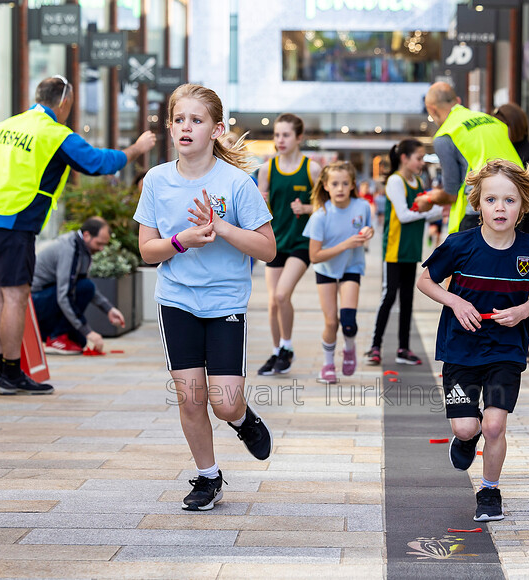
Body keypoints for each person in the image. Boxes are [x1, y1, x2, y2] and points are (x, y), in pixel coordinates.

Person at [134, 83, 276, 511]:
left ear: (215, 130)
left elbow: (268, 249)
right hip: (177, 300)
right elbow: (146, 250)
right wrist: (183, 241)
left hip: (226, 302)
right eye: (179, 119)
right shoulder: (156, 180)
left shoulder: (236, 183)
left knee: (225, 402)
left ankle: (243, 419)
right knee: (191, 396)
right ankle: (207, 477)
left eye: (196, 120)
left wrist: (223, 229)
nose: (185, 127)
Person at [0, 75, 156, 396]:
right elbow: (97, 163)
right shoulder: (53, 134)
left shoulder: (1, 128)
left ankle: (3, 370)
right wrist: (136, 148)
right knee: (14, 296)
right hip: (15, 220)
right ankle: (10, 374)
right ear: (65, 101)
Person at [417, 159, 529, 522]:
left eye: (509, 201)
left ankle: (490, 491)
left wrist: (523, 310)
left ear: (523, 205)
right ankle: (466, 439)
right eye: (492, 200)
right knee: (467, 425)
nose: (500, 207)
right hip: (460, 348)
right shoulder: (459, 244)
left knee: (495, 425)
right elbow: (425, 281)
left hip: (506, 348)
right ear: (478, 204)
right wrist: (455, 300)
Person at [365, 139, 442, 366]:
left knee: (407, 299)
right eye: (418, 158)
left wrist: (436, 207)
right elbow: (405, 214)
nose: (421, 162)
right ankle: (375, 347)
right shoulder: (395, 182)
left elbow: (434, 210)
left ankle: (403, 348)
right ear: (404, 158)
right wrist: (431, 210)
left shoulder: (417, 181)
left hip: (411, 250)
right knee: (389, 297)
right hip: (394, 250)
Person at [256, 113, 322, 375]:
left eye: (285, 135)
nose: (279, 140)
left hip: (301, 243)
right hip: (274, 242)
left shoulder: (312, 169)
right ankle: (276, 352)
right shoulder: (266, 169)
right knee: (273, 301)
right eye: (276, 135)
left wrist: (306, 207)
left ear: (298, 138)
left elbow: (325, 205)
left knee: (282, 294)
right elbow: (260, 209)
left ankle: (288, 346)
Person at [493, 103, 529, 362]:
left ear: (510, 125)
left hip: (528, 230)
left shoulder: (521, 156)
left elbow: (526, 201)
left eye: (499, 125)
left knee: (525, 288)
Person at [303, 161, 374, 383]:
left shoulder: (362, 206)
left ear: (353, 184)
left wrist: (368, 232)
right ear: (325, 186)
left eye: (345, 183)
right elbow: (314, 256)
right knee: (331, 322)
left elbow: (367, 227)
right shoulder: (320, 215)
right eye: (335, 183)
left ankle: (350, 347)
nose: (340, 188)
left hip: (352, 267)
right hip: (325, 269)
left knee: (348, 320)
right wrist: (346, 244)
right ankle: (327, 364)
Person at [419, 82, 522, 233]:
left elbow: (451, 194)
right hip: (514, 208)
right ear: (458, 101)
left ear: (432, 110)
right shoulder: (491, 121)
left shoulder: (446, 135)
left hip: (478, 214)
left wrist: (428, 199)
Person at [31, 217, 125, 355]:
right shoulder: (69, 249)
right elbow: (65, 295)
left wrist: (109, 309)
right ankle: (57, 337)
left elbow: (82, 285)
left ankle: (58, 335)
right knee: (85, 287)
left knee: (79, 342)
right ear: (86, 235)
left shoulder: (83, 249)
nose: (101, 248)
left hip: (49, 299)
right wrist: (89, 332)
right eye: (99, 243)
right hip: (35, 303)